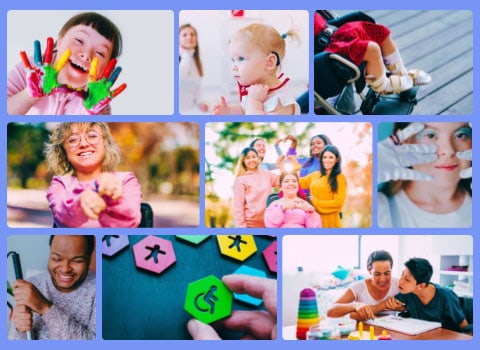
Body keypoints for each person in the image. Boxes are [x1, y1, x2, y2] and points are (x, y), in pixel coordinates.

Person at [8, 12, 125, 115]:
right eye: (79, 41)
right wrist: (29, 95)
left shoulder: (98, 101)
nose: (86, 55)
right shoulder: (31, 71)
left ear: (107, 68)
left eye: (100, 53)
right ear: (59, 42)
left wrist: (90, 112)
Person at [44, 122, 142, 228]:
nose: (83, 144)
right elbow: (61, 217)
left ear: (106, 143)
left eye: (92, 136)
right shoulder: (60, 183)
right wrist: (81, 198)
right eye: (73, 140)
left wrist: (111, 197)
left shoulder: (125, 179)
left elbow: (132, 219)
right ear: (63, 150)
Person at [378, 122, 472, 227]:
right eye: (430, 135)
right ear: (404, 141)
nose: (449, 151)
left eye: (460, 135)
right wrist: (364, 168)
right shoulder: (378, 210)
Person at [314, 12, 431, 94]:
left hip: (332, 31)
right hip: (324, 52)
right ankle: (383, 86)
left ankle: (400, 72)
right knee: (371, 48)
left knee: (380, 31)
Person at [9, 235, 96, 340]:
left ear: (89, 258)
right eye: (56, 259)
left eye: (77, 261)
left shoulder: (101, 289)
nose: (65, 269)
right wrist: (20, 329)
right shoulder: (30, 286)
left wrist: (44, 307)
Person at [213, 23, 301, 115]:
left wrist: (254, 101)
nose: (234, 67)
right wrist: (228, 111)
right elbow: (244, 110)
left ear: (269, 62)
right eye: (233, 60)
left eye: (241, 59)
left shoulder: (281, 102)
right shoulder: (255, 90)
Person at [385, 258, 469, 332]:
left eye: (407, 279)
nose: (400, 281)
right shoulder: (409, 292)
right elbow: (387, 304)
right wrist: (403, 308)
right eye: (402, 274)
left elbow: (465, 328)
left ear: (421, 286)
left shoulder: (446, 296)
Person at [187, 274, 277, 340]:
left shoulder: (212, 290)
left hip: (209, 303)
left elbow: (213, 297)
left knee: (210, 302)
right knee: (209, 302)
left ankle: (210, 309)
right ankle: (210, 308)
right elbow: (210, 296)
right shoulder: (211, 290)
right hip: (205, 300)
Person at [327, 250, 399, 320]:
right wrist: (355, 305)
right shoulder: (358, 287)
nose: (382, 279)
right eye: (377, 274)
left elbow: (407, 307)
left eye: (387, 273)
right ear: (369, 271)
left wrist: (403, 308)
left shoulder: (398, 284)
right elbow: (330, 312)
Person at [298, 145, 347, 228]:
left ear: (337, 159)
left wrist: (315, 202)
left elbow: (338, 202)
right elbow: (297, 183)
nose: (327, 160)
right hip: (314, 220)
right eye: (324, 157)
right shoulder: (315, 175)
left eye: (331, 157)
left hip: (330, 222)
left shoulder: (339, 177)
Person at [233, 147, 279, 228]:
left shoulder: (267, 175)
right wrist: (242, 228)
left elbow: (285, 181)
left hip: (270, 223)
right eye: (247, 158)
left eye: (254, 157)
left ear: (258, 159)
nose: (251, 160)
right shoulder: (241, 180)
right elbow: (238, 207)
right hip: (251, 225)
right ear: (243, 161)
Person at [179, 23, 209, 114]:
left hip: (191, 109)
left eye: (192, 34)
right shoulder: (183, 58)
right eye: (185, 35)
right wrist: (185, 54)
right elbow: (179, 78)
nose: (189, 37)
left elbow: (197, 85)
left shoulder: (194, 60)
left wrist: (201, 101)